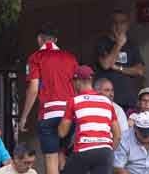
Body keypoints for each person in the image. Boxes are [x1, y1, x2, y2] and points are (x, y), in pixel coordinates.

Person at [19, 25, 78, 174]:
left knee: (51, 159)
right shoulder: (70, 57)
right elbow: (77, 86)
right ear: (56, 39)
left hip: (49, 113)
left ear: (39, 39)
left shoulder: (35, 57)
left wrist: (24, 117)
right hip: (69, 114)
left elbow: (33, 88)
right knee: (62, 153)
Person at [59, 66, 121, 174]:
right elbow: (118, 135)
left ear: (78, 81)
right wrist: (108, 151)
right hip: (105, 152)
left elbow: (62, 133)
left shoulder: (74, 101)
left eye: (73, 82)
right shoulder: (106, 101)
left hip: (83, 150)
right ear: (90, 80)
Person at [95, 10, 146, 110]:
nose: (118, 26)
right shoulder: (102, 43)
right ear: (110, 25)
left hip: (128, 100)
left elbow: (140, 71)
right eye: (115, 22)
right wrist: (119, 44)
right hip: (107, 99)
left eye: (122, 22)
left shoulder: (132, 45)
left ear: (127, 25)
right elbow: (106, 64)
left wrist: (117, 68)